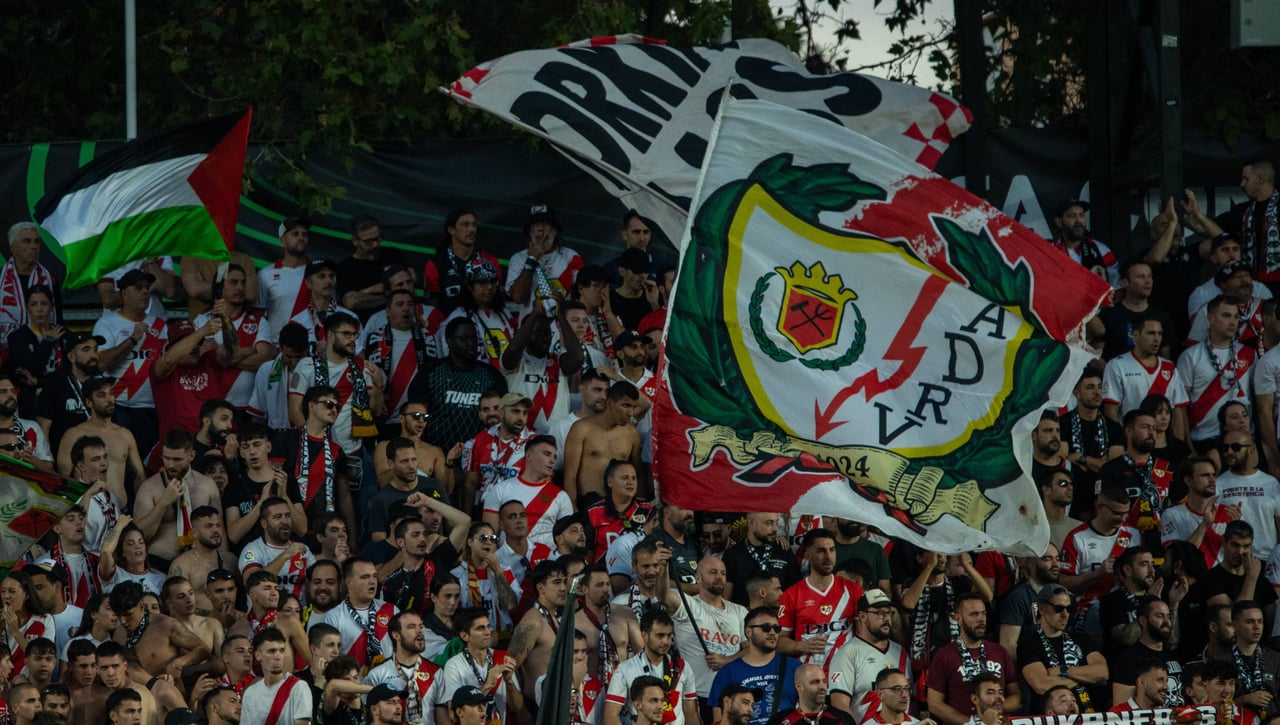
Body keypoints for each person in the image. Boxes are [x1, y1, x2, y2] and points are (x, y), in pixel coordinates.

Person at [287, 310, 385, 479]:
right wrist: (313, 444)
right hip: (316, 450)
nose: (353, 339)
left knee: (361, 503)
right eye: (346, 334)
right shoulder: (307, 365)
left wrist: (377, 386)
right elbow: (295, 411)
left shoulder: (363, 367)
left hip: (356, 452)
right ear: (330, 335)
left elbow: (376, 411)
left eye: (354, 335)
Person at [92, 268, 168, 453]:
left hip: (152, 409)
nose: (145, 292)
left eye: (147, 288)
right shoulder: (106, 323)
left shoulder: (160, 324)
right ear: (124, 293)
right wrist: (133, 339)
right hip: (120, 408)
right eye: (138, 287)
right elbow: (101, 363)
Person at [406, 318, 506, 452]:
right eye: (463, 339)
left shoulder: (491, 375)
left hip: (479, 454)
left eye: (473, 338)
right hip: (437, 454)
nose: (471, 343)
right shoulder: (431, 372)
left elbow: (503, 415)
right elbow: (415, 414)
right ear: (449, 341)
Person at [192, 264, 277, 413]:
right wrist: (249, 350)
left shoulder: (259, 322)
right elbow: (194, 360)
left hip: (245, 408)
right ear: (219, 287)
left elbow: (264, 360)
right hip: (208, 408)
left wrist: (219, 356)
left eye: (243, 283)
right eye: (233, 282)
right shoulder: (201, 321)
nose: (240, 288)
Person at [925, 592, 1019, 725]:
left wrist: (994, 711)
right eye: (974, 614)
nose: (981, 619)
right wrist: (971, 723)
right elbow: (934, 704)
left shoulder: (999, 651)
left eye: (983, 613)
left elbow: (1016, 696)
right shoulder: (944, 655)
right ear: (957, 618)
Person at [1059, 485, 1142, 633]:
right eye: (1117, 513)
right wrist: (1097, 574)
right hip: (1089, 611)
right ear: (1099, 507)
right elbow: (1063, 583)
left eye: (1126, 513)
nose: (1122, 518)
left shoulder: (1133, 534)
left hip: (1125, 610)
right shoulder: (1077, 537)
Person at [1178, 295, 1257, 448]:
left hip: (1244, 440)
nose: (1233, 322)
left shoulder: (1250, 355)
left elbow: (1259, 403)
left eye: (1236, 317)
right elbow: (1181, 408)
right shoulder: (1190, 356)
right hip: (1204, 440)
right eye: (1226, 316)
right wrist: (1189, 447)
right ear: (1211, 319)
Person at [275, 385, 355, 536]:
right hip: (288, 531)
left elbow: (344, 498)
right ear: (311, 405)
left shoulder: (337, 451)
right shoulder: (286, 439)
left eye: (337, 407)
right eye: (329, 404)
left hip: (325, 536)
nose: (334, 410)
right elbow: (272, 482)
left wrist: (352, 540)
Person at [776, 529, 864, 666]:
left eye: (832, 550)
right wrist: (801, 646)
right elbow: (779, 642)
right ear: (807, 555)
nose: (828, 556)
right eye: (821, 551)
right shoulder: (791, 595)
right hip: (809, 673)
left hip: (846, 670)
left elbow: (863, 634)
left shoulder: (853, 590)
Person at [132, 429, 221, 564]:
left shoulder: (208, 486)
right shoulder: (149, 488)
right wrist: (163, 503)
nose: (171, 465)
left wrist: (222, 561)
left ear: (191, 455)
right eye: (166, 458)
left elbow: (221, 532)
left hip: (200, 563)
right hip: (159, 563)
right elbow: (138, 536)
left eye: (177, 459)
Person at [54, 375, 144, 507]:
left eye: (111, 393)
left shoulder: (125, 435)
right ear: (89, 402)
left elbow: (139, 476)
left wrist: (140, 511)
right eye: (101, 395)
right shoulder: (73, 435)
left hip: (120, 513)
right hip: (88, 513)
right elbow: (64, 479)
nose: (109, 399)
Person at [1016, 584, 1108, 713]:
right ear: (1042, 609)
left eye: (1069, 608)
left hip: (1090, 715)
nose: (1065, 614)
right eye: (1059, 609)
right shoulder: (1029, 644)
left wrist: (1063, 670)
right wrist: (1084, 678)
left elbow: (1102, 672)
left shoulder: (1082, 638)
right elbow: (1041, 685)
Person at [1102, 312, 1190, 437]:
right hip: (1132, 442)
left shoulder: (1169, 368)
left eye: (1159, 334)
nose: (1156, 339)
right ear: (1135, 335)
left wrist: (1179, 446)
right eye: (1151, 333)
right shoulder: (1117, 366)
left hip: (1163, 444)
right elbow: (1111, 412)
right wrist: (1119, 443)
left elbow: (1178, 411)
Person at [605, 609, 697, 725]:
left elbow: (690, 713)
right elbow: (611, 716)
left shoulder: (683, 667)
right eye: (660, 635)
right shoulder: (624, 670)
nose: (666, 641)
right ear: (644, 635)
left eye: (669, 636)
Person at [378, 499, 469, 617]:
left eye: (425, 534)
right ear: (400, 542)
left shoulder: (439, 559)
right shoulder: (392, 581)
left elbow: (464, 522)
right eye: (415, 535)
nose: (422, 539)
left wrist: (426, 500)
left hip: (441, 632)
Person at [307, 557, 399, 673]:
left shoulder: (392, 610)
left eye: (374, 576)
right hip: (353, 687)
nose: (372, 581)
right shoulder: (333, 617)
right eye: (365, 577)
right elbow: (328, 660)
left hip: (391, 685)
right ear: (349, 582)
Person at [828, 589, 908, 721]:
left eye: (889, 612)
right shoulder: (847, 653)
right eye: (880, 613)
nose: (887, 618)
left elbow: (911, 702)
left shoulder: (900, 652)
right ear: (863, 616)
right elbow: (839, 705)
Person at [223, 422, 307, 548]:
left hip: (284, 552)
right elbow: (234, 535)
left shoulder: (286, 481)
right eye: (246, 447)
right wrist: (261, 504)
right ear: (240, 452)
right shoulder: (235, 486)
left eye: (257, 445)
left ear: (268, 447)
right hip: (250, 557)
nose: (252, 451)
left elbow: (301, 529)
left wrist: (284, 497)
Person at [364, 289, 440, 425]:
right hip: (385, 417)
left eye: (410, 304)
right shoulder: (374, 339)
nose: (406, 308)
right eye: (399, 304)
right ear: (388, 311)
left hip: (419, 418)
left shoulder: (428, 337)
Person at [109, 581, 210, 680]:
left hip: (168, 691)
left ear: (142, 606)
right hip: (134, 693)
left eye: (128, 615)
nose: (122, 621)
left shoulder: (167, 625)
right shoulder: (119, 632)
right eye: (118, 615)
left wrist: (179, 663)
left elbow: (203, 648)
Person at [564, 381, 643, 507]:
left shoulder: (631, 433)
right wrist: (573, 509)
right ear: (610, 403)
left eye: (634, 407)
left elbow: (638, 474)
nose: (630, 413)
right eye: (626, 405)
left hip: (620, 506)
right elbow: (570, 475)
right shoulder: (581, 428)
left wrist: (639, 507)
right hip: (587, 503)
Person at [500, 310, 581, 433]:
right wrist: (534, 313)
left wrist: (561, 317)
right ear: (526, 334)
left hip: (555, 439)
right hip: (520, 439)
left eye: (548, 333)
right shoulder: (516, 361)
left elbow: (578, 358)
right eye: (539, 332)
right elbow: (515, 348)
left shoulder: (558, 360)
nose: (546, 337)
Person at [441, 608, 523, 725]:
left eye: (488, 626)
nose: (488, 632)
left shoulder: (502, 658)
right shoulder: (454, 665)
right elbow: (454, 713)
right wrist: (488, 685)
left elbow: (518, 708)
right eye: (480, 628)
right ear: (464, 636)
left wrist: (509, 682)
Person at [363, 611, 445, 725]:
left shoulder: (436, 672)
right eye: (412, 627)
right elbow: (370, 717)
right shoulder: (377, 674)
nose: (419, 631)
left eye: (421, 626)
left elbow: (442, 717)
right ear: (396, 635)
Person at [463, 392, 536, 514]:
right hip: (483, 507)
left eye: (524, 413)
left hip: (518, 511)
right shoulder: (480, 439)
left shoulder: (534, 443)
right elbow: (471, 483)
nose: (521, 418)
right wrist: (467, 517)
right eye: (515, 411)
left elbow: (540, 485)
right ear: (501, 413)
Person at [1214, 430, 1280, 563]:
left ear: (1252, 449)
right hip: (1231, 560)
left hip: (1267, 559)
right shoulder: (1217, 484)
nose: (1229, 452)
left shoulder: (1271, 483)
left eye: (1236, 447)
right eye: (1225, 448)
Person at [507, 560, 569, 700]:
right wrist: (521, 710)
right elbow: (508, 670)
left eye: (565, 582)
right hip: (537, 708)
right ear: (541, 588)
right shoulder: (532, 622)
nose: (563, 588)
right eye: (556, 582)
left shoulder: (557, 617)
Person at [369, 438, 450, 541]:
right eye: (404, 461)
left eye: (414, 459)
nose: (411, 466)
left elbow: (451, 524)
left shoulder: (434, 486)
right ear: (390, 464)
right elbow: (379, 543)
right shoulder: (381, 499)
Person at [424, 209, 503, 313]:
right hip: (449, 325)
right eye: (465, 225)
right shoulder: (435, 264)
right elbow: (431, 308)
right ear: (451, 229)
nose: (471, 229)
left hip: (485, 323)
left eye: (474, 225)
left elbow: (499, 299)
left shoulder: (489, 260)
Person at [36, 330, 103, 450]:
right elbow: (43, 426)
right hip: (64, 454)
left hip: (98, 455)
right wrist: (47, 460)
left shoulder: (102, 383)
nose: (94, 355)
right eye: (86, 350)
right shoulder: (55, 384)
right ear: (71, 357)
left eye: (95, 349)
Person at [1112, 597, 1184, 706]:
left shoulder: (1173, 654)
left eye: (1168, 616)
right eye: (1159, 616)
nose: (1167, 622)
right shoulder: (1129, 658)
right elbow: (1122, 709)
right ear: (1143, 621)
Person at [1097, 261, 1176, 360]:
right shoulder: (1109, 314)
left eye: (1149, 276)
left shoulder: (1162, 317)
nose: (1147, 281)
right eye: (1140, 277)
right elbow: (1096, 354)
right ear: (1125, 282)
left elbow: (1165, 357)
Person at [336, 214, 410, 321]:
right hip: (367, 326)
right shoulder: (345, 267)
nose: (375, 245)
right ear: (355, 241)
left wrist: (363, 293)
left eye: (378, 239)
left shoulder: (392, 254)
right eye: (369, 241)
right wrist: (379, 290)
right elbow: (350, 301)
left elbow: (411, 277)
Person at [445, 257, 516, 368]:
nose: (489, 287)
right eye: (483, 282)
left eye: (493, 282)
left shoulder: (504, 313)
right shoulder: (459, 316)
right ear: (469, 286)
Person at [450, 523, 518, 635]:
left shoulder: (505, 571)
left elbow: (510, 605)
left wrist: (497, 571)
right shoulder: (456, 575)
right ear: (470, 541)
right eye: (483, 538)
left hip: (501, 638)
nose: (488, 542)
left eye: (493, 539)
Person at [722, 513, 803, 607]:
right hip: (744, 618)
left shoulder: (783, 550)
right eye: (769, 523)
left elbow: (796, 591)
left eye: (776, 523)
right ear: (751, 523)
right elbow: (726, 599)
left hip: (778, 618)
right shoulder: (733, 554)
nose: (775, 528)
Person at [0, 223, 60, 348]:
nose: (33, 247)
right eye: (26, 241)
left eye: (36, 242)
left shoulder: (50, 279)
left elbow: (58, 320)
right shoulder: (0, 277)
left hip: (43, 350)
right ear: (13, 247)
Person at [5, 285, 62, 416]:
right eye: (33, 304)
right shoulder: (17, 338)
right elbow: (29, 370)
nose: (39, 309)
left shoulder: (63, 335)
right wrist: (48, 342)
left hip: (61, 398)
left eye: (44, 304)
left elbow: (69, 373)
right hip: (30, 403)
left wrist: (38, 381)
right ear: (26, 308)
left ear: (52, 307)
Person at [997, 545, 1061, 655]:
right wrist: (1038, 661)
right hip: (1030, 666)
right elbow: (1007, 646)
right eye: (1047, 559)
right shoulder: (1018, 597)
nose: (1055, 564)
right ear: (1031, 565)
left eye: (1057, 559)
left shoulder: (1061, 595)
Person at [258, 216, 314, 341]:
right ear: (283, 240)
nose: (301, 237)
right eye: (295, 234)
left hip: (311, 346)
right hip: (277, 346)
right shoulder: (265, 274)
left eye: (304, 234)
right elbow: (258, 315)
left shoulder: (319, 273)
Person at [248, 322, 311, 434]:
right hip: (276, 435)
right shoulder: (267, 370)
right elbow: (258, 414)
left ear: (306, 349)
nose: (294, 362)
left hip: (308, 434)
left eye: (299, 357)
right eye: (289, 356)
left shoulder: (317, 370)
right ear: (280, 348)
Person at [241, 628, 313, 725]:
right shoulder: (250, 693)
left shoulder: (299, 687)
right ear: (258, 655)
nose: (278, 657)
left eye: (282, 651)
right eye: (271, 651)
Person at [586, 459, 654, 562]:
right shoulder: (593, 513)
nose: (630, 482)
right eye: (625, 478)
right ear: (610, 482)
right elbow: (587, 555)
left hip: (640, 573)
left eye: (634, 478)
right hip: (603, 573)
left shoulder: (649, 510)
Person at [35, 506, 99, 609]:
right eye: (71, 519)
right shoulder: (43, 565)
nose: (79, 523)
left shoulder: (97, 562)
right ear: (57, 528)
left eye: (81, 518)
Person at [1049, 199, 1119, 287]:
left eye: (1082, 215)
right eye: (1072, 216)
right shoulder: (1050, 251)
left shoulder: (1102, 250)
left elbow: (1115, 286)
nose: (1078, 220)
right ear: (1059, 222)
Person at [766, 663, 854, 725]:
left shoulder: (843, 719)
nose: (822, 687)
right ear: (799, 687)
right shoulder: (778, 720)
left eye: (824, 681)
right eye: (815, 682)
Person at [97, 518, 166, 595]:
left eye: (141, 542)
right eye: (130, 543)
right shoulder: (115, 575)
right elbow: (106, 551)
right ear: (122, 552)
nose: (138, 546)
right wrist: (119, 526)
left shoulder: (160, 578)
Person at [26, 565, 80, 658]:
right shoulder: (27, 619)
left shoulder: (81, 617)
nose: (34, 594)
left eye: (39, 587)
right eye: (32, 589)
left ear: (57, 586)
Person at [863, 669, 932, 725]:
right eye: (897, 689)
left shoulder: (917, 722)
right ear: (880, 694)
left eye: (907, 689)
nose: (905, 695)